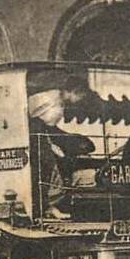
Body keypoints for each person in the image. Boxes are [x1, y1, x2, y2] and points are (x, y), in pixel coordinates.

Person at [28, 75, 96, 220]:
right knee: (50, 169)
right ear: (74, 91)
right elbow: (38, 121)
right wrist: (50, 145)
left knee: (53, 168)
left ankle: (50, 206)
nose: (80, 101)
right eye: (80, 96)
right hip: (36, 137)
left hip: (42, 135)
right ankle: (48, 207)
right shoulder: (51, 99)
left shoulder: (58, 100)